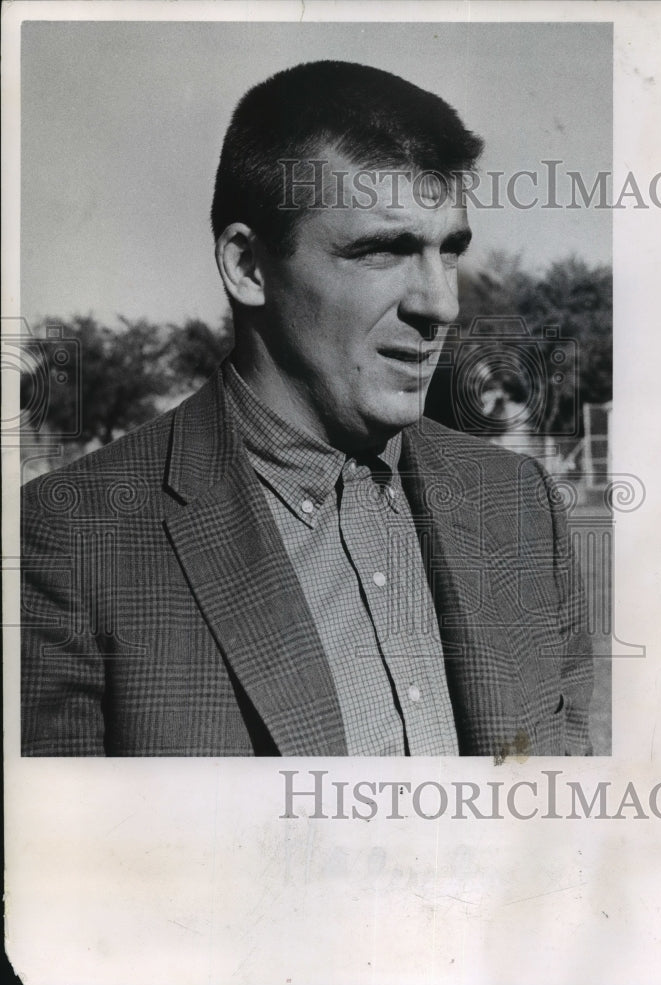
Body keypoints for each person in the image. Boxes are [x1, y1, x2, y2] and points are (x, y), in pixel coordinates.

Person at [21, 60, 593, 757]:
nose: (440, 303)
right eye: (384, 250)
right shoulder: (68, 543)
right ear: (248, 266)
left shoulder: (520, 503)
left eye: (448, 252)